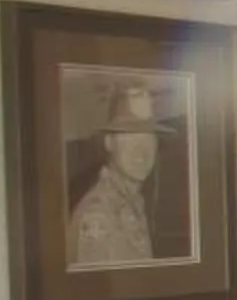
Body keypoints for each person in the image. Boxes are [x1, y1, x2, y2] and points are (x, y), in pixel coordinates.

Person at [68, 82, 173, 269]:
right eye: (130, 137)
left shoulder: (133, 201)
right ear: (109, 143)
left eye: (149, 137)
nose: (142, 150)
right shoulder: (98, 215)